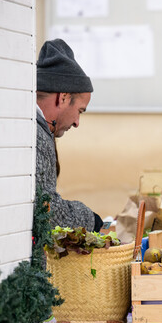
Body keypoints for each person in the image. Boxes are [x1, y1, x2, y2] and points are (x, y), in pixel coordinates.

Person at [35, 38, 102, 232]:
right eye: (80, 111)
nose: (77, 122)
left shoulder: (36, 127)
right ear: (63, 97)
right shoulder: (36, 135)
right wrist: (92, 220)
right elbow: (49, 211)